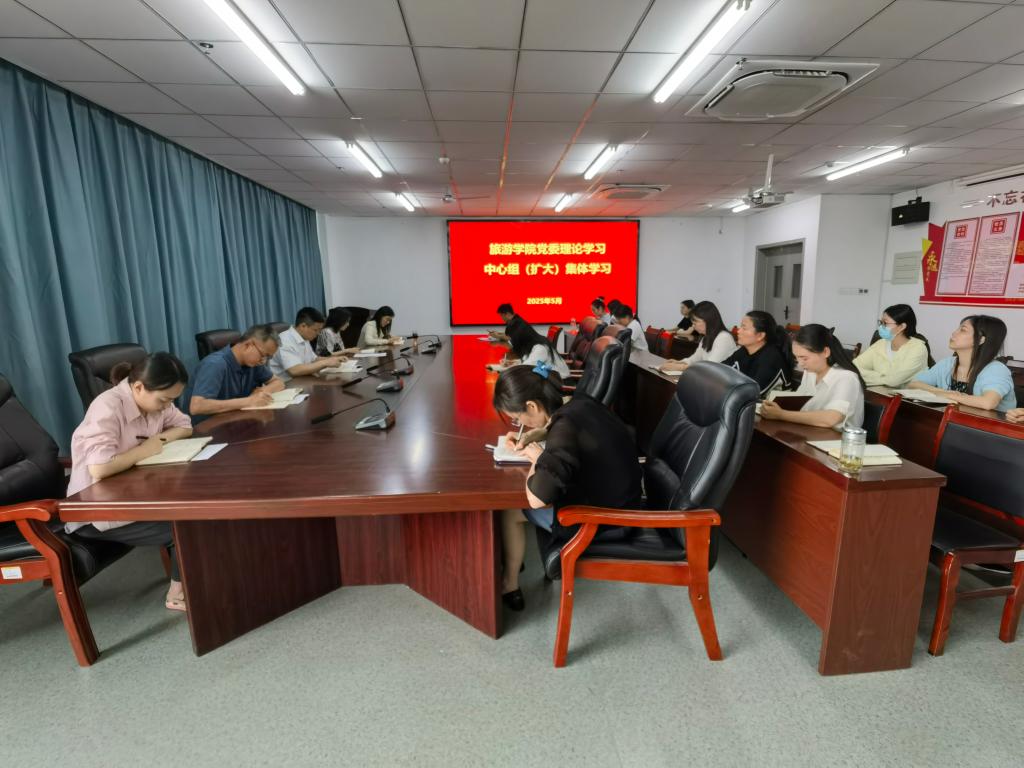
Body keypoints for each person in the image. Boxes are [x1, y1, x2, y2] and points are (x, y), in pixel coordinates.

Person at [493, 364, 642, 610]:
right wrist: (536, 435)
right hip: (623, 500)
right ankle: (512, 570)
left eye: (518, 419)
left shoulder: (564, 430)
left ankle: (509, 584)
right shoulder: (579, 402)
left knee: (511, 511)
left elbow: (537, 499)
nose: (520, 425)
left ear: (532, 406)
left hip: (605, 521)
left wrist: (537, 458)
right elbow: (569, 433)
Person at [65, 353, 194, 612]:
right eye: (164, 400)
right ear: (138, 387)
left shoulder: (153, 401)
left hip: (131, 492)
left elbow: (185, 426)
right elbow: (100, 467)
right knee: (186, 525)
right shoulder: (108, 407)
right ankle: (178, 594)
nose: (167, 406)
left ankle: (196, 577)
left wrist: (160, 441)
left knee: (195, 508)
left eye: (172, 400)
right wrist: (145, 450)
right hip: (96, 511)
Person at [760, 324, 865, 431]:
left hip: (837, 439)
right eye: (797, 358)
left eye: (804, 358)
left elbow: (831, 419)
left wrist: (781, 414)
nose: (800, 364)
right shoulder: (810, 372)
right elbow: (800, 405)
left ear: (825, 352)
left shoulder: (846, 378)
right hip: (810, 431)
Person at [908, 315, 1016, 412]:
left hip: (988, 426)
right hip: (952, 421)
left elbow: (988, 403)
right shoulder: (947, 363)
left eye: (963, 330)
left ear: (980, 340)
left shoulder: (996, 369)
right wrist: (940, 392)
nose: (954, 333)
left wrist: (949, 396)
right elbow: (913, 384)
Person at [187, 324, 285, 419]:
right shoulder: (215, 364)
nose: (264, 361)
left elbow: (278, 382)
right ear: (248, 345)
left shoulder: (254, 363)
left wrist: (263, 392)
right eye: (263, 355)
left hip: (236, 419)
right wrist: (248, 401)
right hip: (207, 425)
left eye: (268, 357)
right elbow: (197, 407)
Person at [853, 304, 931, 388]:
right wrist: (884, 377)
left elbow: (894, 381)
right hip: (877, 393)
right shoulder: (881, 343)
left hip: (905, 396)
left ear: (901, 327)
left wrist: (866, 376)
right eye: (881, 322)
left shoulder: (918, 348)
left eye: (885, 323)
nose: (881, 327)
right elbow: (854, 367)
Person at [722, 310, 790, 396]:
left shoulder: (771, 358)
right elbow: (721, 369)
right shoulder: (744, 350)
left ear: (760, 335)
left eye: (744, 328)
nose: (738, 331)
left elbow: (754, 393)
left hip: (773, 403)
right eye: (740, 327)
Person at [269, 307, 346, 382]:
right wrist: (325, 363)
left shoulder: (304, 337)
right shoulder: (284, 340)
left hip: (303, 380)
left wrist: (333, 359)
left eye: (319, 330)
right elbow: (295, 370)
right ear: (303, 326)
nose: (318, 333)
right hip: (287, 385)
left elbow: (314, 359)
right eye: (316, 330)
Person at [660, 300, 737, 372]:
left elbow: (709, 366)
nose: (693, 326)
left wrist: (680, 367)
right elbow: (695, 358)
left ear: (708, 320)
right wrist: (679, 362)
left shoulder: (724, 338)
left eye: (695, 322)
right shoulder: (706, 337)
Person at [494, 321, 571, 377]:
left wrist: (505, 368)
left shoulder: (540, 348)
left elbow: (526, 368)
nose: (512, 343)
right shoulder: (533, 343)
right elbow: (529, 361)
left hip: (560, 381)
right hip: (550, 376)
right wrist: (514, 362)